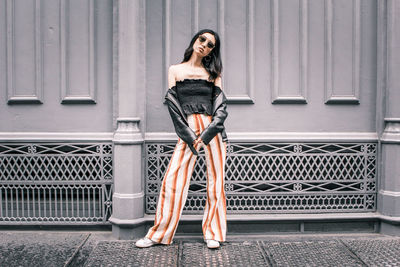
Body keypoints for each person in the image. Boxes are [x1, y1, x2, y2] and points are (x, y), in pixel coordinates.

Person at [135, 29, 228, 249]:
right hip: (188, 131)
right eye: (202, 39)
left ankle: (213, 233)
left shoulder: (213, 73)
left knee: (216, 184)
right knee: (173, 181)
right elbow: (174, 109)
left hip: (212, 131)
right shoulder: (175, 70)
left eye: (210, 44)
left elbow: (221, 109)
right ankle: (158, 234)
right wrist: (189, 136)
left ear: (212, 51)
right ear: (195, 40)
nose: (204, 44)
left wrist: (206, 136)